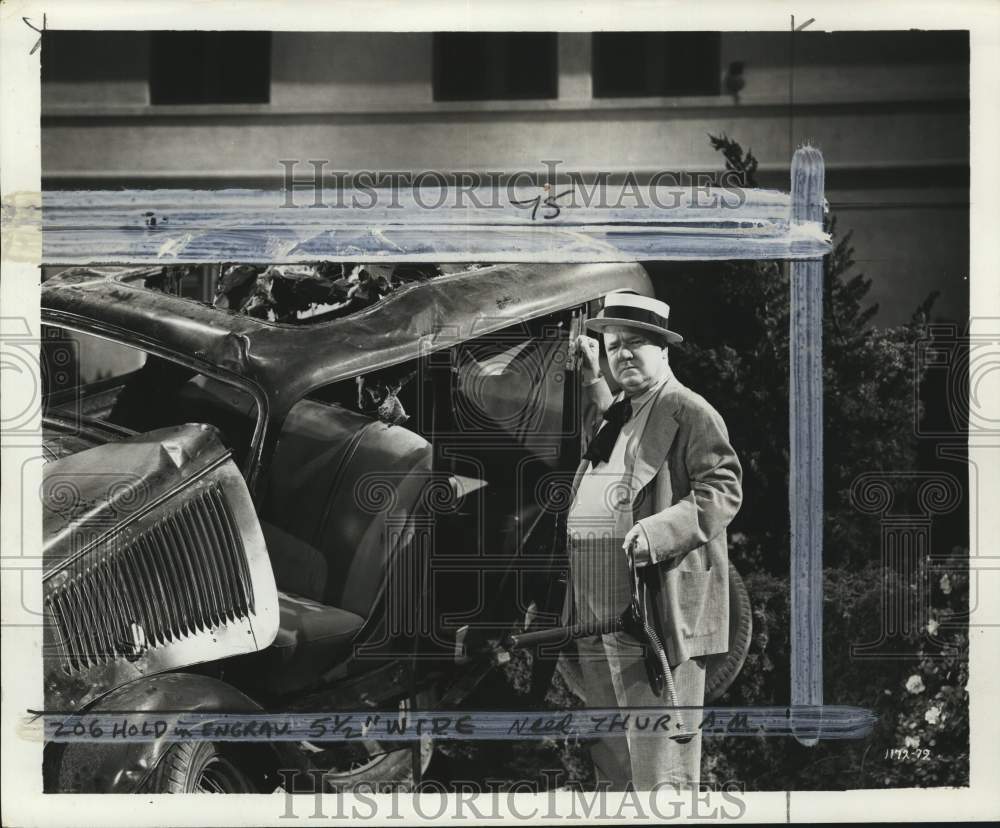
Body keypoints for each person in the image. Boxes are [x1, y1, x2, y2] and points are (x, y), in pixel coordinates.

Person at [564, 290, 742, 790]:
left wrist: (656, 531)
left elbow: (723, 489)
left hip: (651, 589)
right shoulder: (621, 408)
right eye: (614, 345)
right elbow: (618, 446)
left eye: (635, 343)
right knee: (611, 736)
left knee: (657, 735)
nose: (622, 354)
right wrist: (593, 379)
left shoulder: (689, 409)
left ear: (663, 349)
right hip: (592, 585)